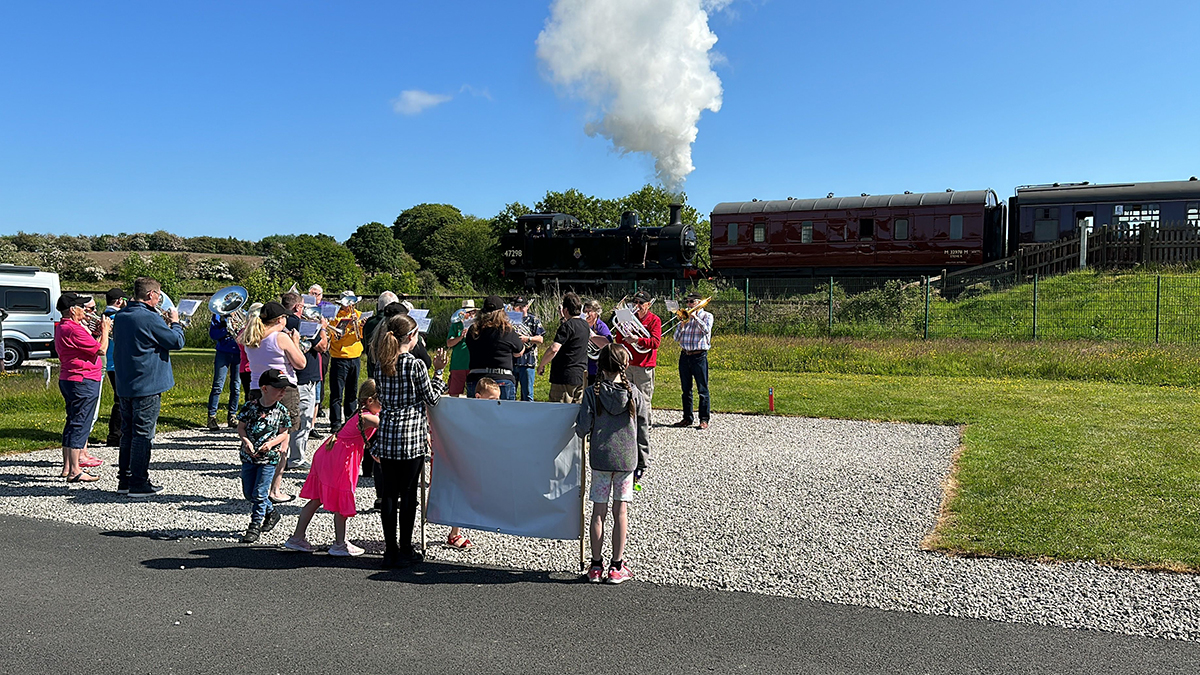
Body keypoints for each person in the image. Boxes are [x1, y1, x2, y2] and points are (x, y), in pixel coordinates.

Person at [371, 314, 449, 568]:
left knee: (389, 494)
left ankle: (390, 549)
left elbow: (382, 397)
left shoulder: (381, 364)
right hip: (411, 433)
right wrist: (439, 372)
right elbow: (432, 398)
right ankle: (405, 547)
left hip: (388, 431)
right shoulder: (415, 365)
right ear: (412, 336)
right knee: (408, 493)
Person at [575, 344, 650, 584]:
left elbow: (582, 429)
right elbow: (643, 430)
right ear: (625, 365)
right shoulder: (634, 393)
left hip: (601, 459)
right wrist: (643, 460)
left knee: (598, 512)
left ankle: (596, 566)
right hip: (626, 460)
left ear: (600, 365)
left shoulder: (592, 393)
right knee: (621, 512)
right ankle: (616, 566)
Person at [284, 379, 381, 556]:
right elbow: (388, 423)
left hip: (329, 454)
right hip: (340, 458)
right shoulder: (369, 417)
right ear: (369, 401)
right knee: (342, 498)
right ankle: (339, 544)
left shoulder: (361, 413)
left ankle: (297, 538)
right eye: (382, 400)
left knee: (316, 499)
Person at [113, 277, 186, 498]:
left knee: (128, 432)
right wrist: (175, 322)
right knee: (143, 434)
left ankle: (125, 480)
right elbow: (176, 342)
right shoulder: (149, 316)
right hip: (147, 383)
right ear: (150, 295)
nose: (159, 300)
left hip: (126, 382)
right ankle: (138, 482)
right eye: (158, 295)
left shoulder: (121, 315)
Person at [238, 300, 306, 503]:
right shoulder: (280, 337)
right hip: (283, 388)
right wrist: (295, 342)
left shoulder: (250, 336)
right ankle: (274, 489)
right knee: (282, 441)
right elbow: (300, 363)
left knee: (258, 436)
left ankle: (257, 485)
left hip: (256, 389)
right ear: (279, 319)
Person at [54, 292, 111, 483]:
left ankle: (67, 467)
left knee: (72, 421)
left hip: (71, 378)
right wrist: (105, 330)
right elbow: (101, 349)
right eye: (81, 308)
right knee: (81, 423)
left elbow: (88, 345)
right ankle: (75, 470)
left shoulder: (64, 326)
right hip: (83, 379)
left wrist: (94, 331)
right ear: (72, 310)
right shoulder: (73, 329)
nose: (85, 312)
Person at [235, 369, 293, 544]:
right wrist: (246, 441)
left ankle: (254, 526)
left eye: (284, 388)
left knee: (260, 493)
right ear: (264, 388)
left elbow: (284, 433)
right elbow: (241, 427)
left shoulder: (282, 411)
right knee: (249, 493)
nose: (282, 391)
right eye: (278, 388)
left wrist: (273, 443)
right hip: (249, 456)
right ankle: (271, 512)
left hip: (269, 459)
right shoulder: (250, 407)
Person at [283, 291, 328, 471]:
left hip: (290, 376)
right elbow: (322, 346)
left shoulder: (281, 322)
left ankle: (285, 457)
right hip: (304, 377)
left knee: (289, 419)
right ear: (297, 307)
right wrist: (322, 327)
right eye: (303, 306)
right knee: (302, 421)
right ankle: (296, 459)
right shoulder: (300, 322)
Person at [464, 295, 524, 400]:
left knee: (475, 411)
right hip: (502, 378)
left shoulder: (473, 330)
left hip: (476, 379)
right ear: (502, 312)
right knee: (505, 411)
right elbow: (519, 351)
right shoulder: (506, 330)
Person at [536, 292, 589, 404]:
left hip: (564, 377)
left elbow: (554, 349)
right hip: (580, 375)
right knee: (577, 409)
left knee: (560, 410)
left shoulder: (566, 326)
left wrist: (542, 364)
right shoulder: (585, 325)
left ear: (565, 310)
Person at [672, 292, 714, 430]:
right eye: (687, 302)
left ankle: (704, 419)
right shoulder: (684, 318)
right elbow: (676, 338)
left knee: (702, 389)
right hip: (685, 355)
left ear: (698, 303)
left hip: (699, 356)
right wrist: (682, 325)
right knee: (686, 389)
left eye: (691, 302)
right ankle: (687, 418)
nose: (689, 304)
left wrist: (695, 318)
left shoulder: (707, 316)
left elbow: (706, 330)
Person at [612, 290, 661, 404]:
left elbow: (655, 343)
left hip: (644, 365)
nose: (637, 305)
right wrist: (620, 327)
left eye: (641, 303)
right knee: (626, 399)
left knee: (643, 400)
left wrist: (637, 340)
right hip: (628, 363)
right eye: (635, 302)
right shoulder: (629, 318)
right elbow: (619, 340)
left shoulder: (654, 320)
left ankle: (644, 417)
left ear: (648, 304)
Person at [328, 290, 364, 429]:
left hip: (355, 356)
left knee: (352, 391)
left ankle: (350, 419)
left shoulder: (358, 314)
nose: (350, 306)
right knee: (337, 392)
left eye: (352, 303)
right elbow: (334, 337)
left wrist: (360, 325)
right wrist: (347, 327)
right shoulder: (334, 316)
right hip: (340, 357)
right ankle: (335, 422)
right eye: (347, 303)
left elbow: (361, 336)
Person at [207, 307, 242, 430]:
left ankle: (232, 415)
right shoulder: (219, 315)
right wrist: (227, 328)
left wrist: (239, 327)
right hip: (223, 352)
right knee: (218, 385)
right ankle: (212, 417)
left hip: (239, 353)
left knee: (236, 387)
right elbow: (213, 334)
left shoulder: (243, 314)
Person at [101, 287, 126, 447]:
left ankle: (117, 434)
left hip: (110, 362)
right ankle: (115, 435)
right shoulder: (117, 317)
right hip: (117, 362)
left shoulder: (104, 315)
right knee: (120, 399)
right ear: (119, 301)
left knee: (119, 398)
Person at [510, 297, 545, 401]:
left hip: (527, 361)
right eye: (517, 307)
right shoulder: (510, 320)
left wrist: (527, 339)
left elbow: (540, 339)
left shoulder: (533, 320)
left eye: (522, 307)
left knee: (527, 394)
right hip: (512, 361)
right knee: (510, 394)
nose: (520, 309)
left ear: (527, 307)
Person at [308, 284, 332, 418]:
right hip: (310, 343)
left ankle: (319, 404)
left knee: (321, 374)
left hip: (323, 344)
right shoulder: (305, 307)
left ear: (321, 296)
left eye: (317, 294)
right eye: (312, 294)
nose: (314, 296)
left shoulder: (326, 307)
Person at [363, 291, 398, 377]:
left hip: (372, 364)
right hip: (390, 366)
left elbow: (364, 343)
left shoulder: (369, 322)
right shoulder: (393, 322)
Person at [445, 300, 475, 397]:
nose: (470, 315)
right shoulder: (456, 324)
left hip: (473, 364)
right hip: (458, 364)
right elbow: (449, 343)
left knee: (474, 395)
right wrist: (460, 337)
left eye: (472, 312)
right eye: (467, 312)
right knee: (454, 393)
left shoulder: (477, 325)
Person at [583, 299, 612, 386]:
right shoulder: (582, 324)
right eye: (585, 311)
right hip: (583, 366)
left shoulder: (601, 326)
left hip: (596, 368)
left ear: (596, 313)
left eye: (589, 311)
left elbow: (607, 344)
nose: (587, 314)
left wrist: (591, 336)